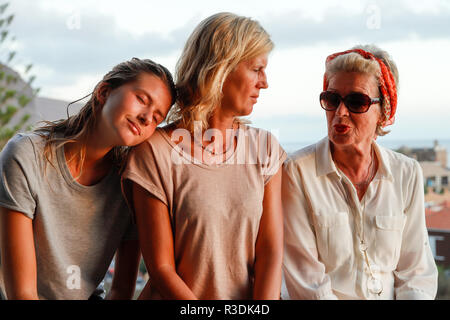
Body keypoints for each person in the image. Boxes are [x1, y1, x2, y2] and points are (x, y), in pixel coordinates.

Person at [122, 12, 286, 300]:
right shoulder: (153, 152)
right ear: (222, 69)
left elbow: (270, 250)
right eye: (257, 69)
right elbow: (161, 268)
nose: (265, 82)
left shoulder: (265, 148)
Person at [0, 57, 176, 300]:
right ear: (104, 92)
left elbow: (121, 291)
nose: (147, 117)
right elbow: (22, 293)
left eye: (157, 117)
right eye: (141, 99)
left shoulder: (132, 181)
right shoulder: (25, 156)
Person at [282, 45, 438, 300]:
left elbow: (416, 274)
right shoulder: (296, 172)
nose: (340, 113)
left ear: (383, 111)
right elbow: (307, 283)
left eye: (357, 102)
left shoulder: (407, 173)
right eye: (332, 100)